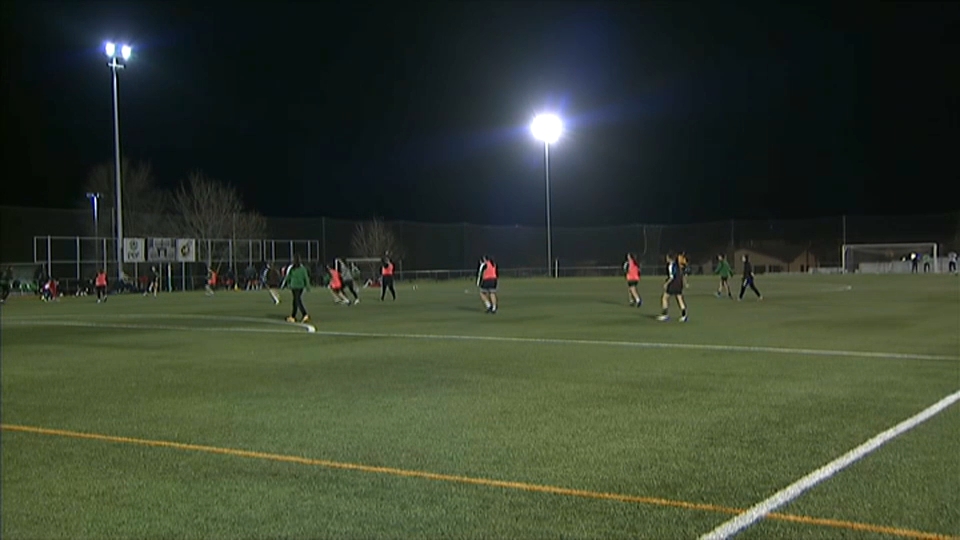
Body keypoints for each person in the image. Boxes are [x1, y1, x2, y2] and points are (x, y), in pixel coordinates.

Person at [657, 253, 687, 322]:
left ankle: (665, 315)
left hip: (673, 283)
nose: (666, 259)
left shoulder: (671, 266)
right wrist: (685, 283)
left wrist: (666, 284)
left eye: (667, 258)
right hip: (679, 284)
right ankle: (684, 316)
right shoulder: (678, 265)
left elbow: (671, 277)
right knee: (679, 299)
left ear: (669, 258)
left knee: (664, 297)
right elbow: (682, 275)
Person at [282, 255, 310, 323]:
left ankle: (305, 314)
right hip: (300, 286)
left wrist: (284, 285)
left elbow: (288, 277)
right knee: (295, 301)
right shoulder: (302, 269)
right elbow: (306, 277)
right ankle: (293, 316)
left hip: (294, 286)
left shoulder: (292, 268)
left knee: (297, 300)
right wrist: (307, 286)